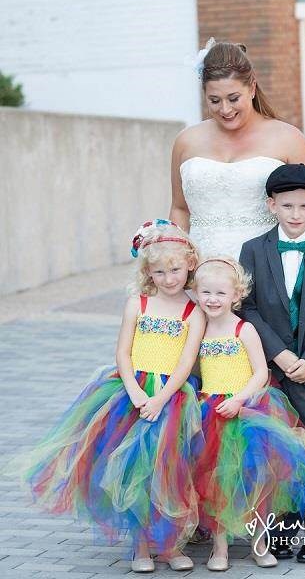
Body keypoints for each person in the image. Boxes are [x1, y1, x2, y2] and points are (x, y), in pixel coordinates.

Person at [169, 38, 305, 440]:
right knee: (206, 381)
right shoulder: (187, 141)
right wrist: (171, 260)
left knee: (270, 378)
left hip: (269, 277)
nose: (225, 110)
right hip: (201, 279)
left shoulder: (287, 138)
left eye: (234, 97)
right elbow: (180, 209)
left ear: (253, 86)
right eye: (214, 101)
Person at [8, 220, 206, 573]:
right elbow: (123, 354)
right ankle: (141, 547)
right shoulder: (138, 304)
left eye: (174, 269)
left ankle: (170, 546)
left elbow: (187, 362)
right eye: (159, 271)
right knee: (134, 471)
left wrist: (160, 398)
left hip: (172, 397)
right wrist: (134, 391)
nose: (169, 277)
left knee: (171, 471)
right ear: (148, 272)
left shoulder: (194, 312)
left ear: (189, 262)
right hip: (129, 394)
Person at [192, 256, 305, 572]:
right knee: (215, 482)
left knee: (255, 480)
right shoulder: (199, 329)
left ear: (236, 296)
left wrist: (239, 400)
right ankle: (219, 548)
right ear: (197, 294)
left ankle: (259, 543)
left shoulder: (244, 329)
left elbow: (259, 374)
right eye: (206, 293)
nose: (213, 300)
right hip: (209, 410)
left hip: (247, 411)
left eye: (221, 293)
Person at [239, 163, 305, 563]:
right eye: (287, 205)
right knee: (275, 451)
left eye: (304, 206)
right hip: (269, 369)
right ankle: (281, 528)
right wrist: (278, 354)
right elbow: (247, 306)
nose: (295, 213)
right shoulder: (252, 250)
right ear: (272, 205)